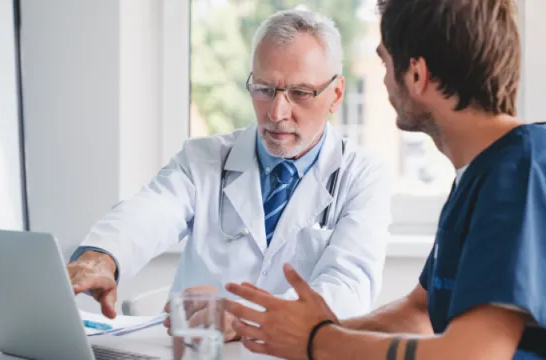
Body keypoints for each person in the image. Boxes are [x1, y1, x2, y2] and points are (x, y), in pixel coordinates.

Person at [224, 0, 546, 359]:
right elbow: (419, 313)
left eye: (384, 62)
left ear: (417, 75)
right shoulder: (481, 173)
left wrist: (318, 340)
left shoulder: (518, 169)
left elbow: (473, 354)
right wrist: (287, 326)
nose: (383, 79)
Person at [67, 8, 392, 340]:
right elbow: (150, 212)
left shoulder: (362, 177)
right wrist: (102, 256)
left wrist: (245, 319)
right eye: (265, 89)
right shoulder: (204, 159)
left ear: (335, 94)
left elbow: (348, 288)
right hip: (199, 352)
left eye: (300, 93)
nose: (278, 113)